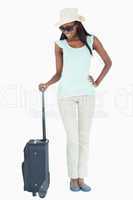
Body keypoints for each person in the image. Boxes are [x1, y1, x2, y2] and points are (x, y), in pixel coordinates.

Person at [38, 8, 112, 192]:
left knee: (84, 138)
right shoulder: (59, 45)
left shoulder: (91, 40)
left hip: (87, 95)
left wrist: (97, 81)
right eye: (62, 28)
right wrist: (47, 84)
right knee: (72, 138)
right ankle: (72, 178)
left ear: (77, 25)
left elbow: (108, 62)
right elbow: (59, 73)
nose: (65, 31)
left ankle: (81, 177)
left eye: (68, 27)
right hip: (65, 96)